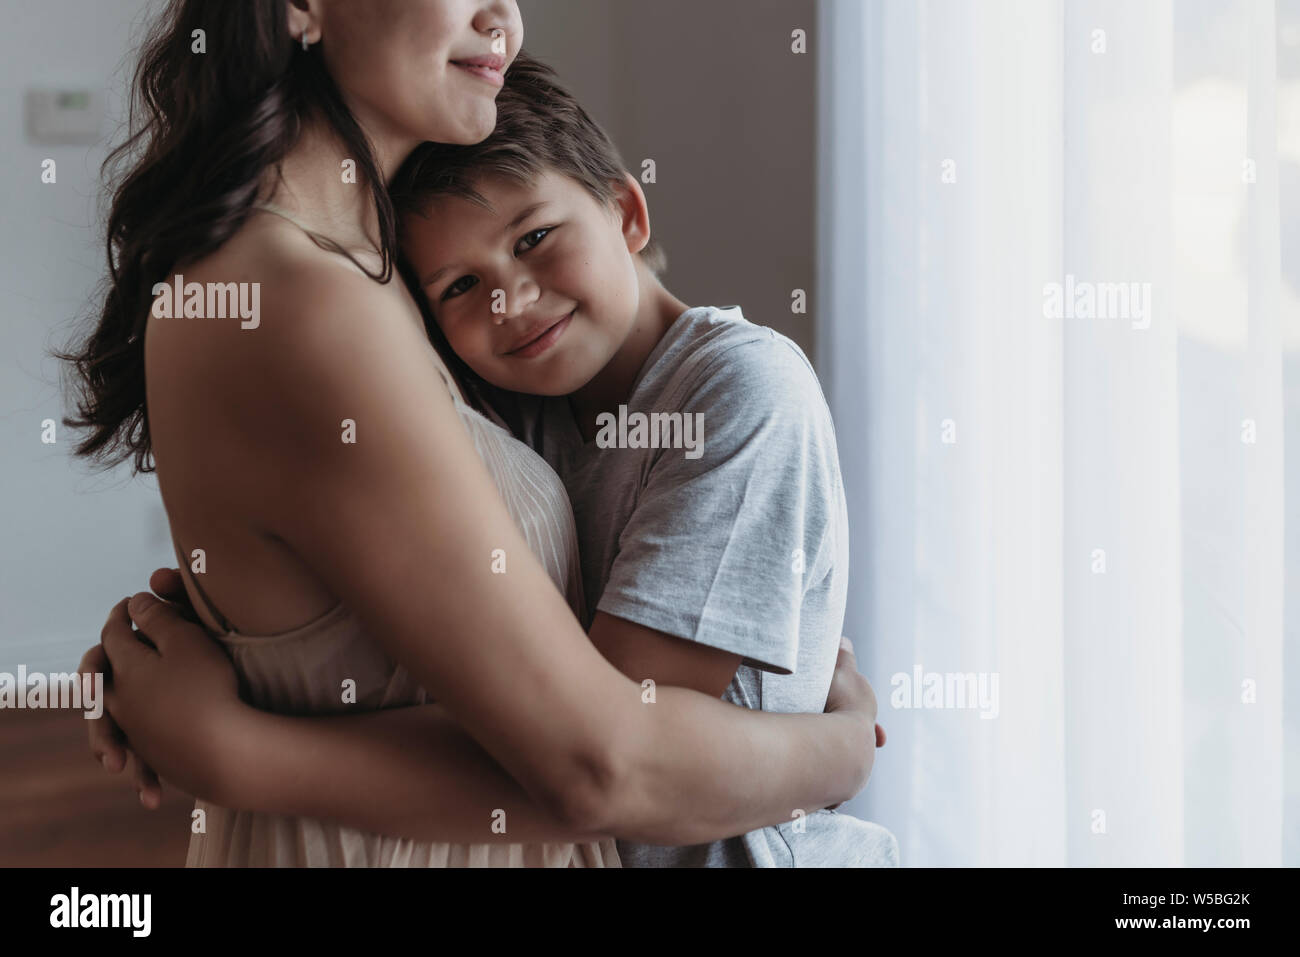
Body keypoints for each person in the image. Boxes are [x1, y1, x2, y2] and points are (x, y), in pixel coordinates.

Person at [66, 0, 882, 866]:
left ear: (626, 213)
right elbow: (602, 769)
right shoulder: (308, 301)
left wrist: (227, 706)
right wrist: (839, 746)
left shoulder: (355, 265)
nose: (506, 18)